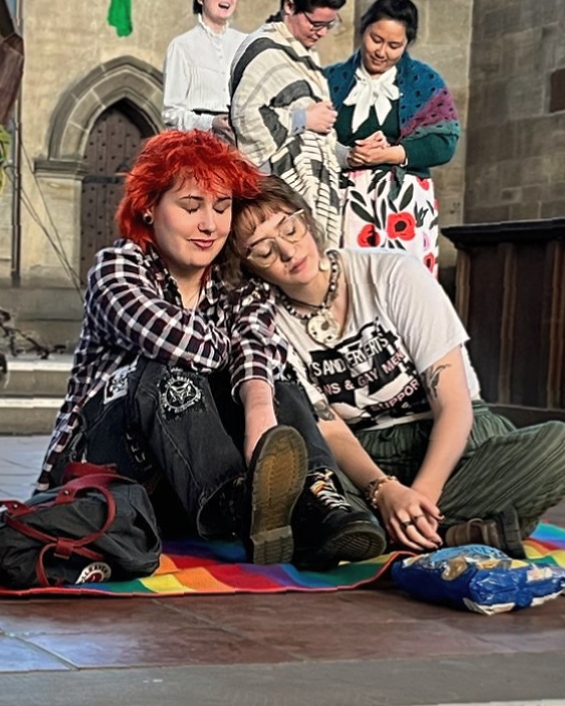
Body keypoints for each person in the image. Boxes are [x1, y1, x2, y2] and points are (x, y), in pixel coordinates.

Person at [39, 130, 386, 570]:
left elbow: (261, 349)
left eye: (221, 208)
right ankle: (240, 503)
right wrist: (243, 355)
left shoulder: (236, 283)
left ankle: (319, 503)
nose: (210, 225)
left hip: (186, 483)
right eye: (191, 207)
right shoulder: (119, 267)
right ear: (149, 207)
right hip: (106, 469)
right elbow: (178, 341)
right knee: (168, 371)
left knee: (279, 385)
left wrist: (258, 404)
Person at [223, 175, 565, 556]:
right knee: (314, 492)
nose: (287, 251)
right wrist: (384, 491)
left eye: (290, 229)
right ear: (248, 267)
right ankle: (459, 531)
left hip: (454, 439)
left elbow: (454, 404)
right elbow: (331, 429)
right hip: (366, 453)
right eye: (264, 250)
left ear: (307, 219)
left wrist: (420, 496)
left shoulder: (393, 272)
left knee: (559, 446)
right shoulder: (265, 322)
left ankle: (389, 534)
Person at [325, 0, 460, 276]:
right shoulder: (331, 80)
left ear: (407, 44)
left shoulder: (425, 82)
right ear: (363, 30)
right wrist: (347, 155)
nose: (381, 52)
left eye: (394, 45)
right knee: (351, 281)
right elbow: (311, 139)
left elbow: (444, 141)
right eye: (376, 39)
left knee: (402, 285)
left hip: (404, 206)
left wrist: (390, 153)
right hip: (345, 203)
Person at [229, 0, 348, 245]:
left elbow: (318, 138)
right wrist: (303, 119)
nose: (322, 32)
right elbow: (247, 119)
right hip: (279, 200)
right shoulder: (264, 50)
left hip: (315, 194)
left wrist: (352, 154)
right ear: (290, 6)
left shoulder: (305, 57)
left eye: (329, 24)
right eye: (316, 23)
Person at [162, 0, 247, 142]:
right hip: (199, 143)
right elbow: (171, 113)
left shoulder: (246, 44)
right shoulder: (182, 46)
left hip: (242, 142)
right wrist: (210, 122)